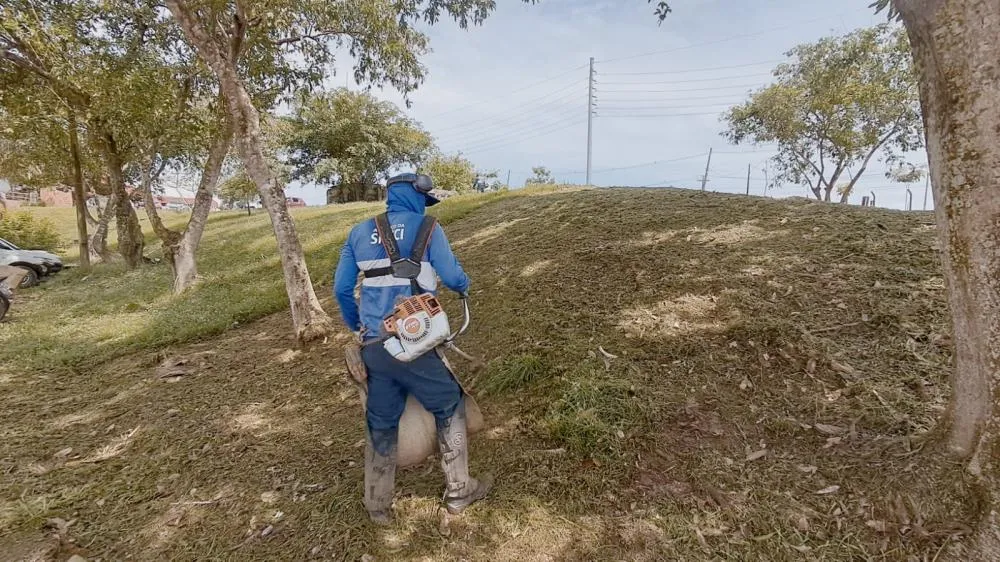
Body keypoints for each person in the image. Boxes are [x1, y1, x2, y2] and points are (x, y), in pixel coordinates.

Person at [333, 172, 492, 524]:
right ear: (416, 196)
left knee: (381, 418)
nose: (425, 206)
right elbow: (452, 276)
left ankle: (377, 505)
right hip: (415, 341)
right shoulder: (429, 228)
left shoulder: (358, 233)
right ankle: (460, 490)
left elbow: (341, 289)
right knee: (449, 403)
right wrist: (464, 286)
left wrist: (358, 326)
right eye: (424, 200)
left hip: (375, 346)